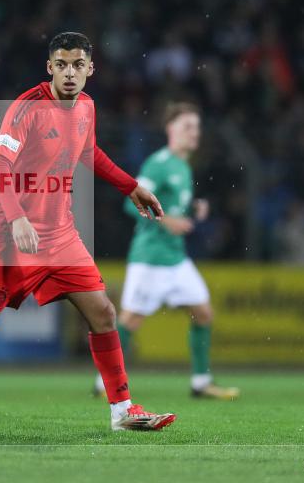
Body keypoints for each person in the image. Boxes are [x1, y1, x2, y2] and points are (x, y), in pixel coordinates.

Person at [0, 32, 176, 432]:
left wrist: (130, 186)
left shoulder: (86, 107)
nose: (70, 73)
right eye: (61, 65)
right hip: (9, 233)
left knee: (103, 312)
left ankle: (122, 411)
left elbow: (88, 152)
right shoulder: (27, 108)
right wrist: (16, 219)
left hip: (60, 233)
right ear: (49, 67)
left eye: (77, 65)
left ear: (90, 70)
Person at [94, 103, 239, 400]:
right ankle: (103, 381)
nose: (193, 133)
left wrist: (192, 208)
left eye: (196, 127)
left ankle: (200, 382)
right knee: (130, 320)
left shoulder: (184, 167)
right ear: (170, 130)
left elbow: (170, 206)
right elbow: (129, 204)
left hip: (176, 258)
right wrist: (168, 221)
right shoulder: (157, 164)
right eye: (187, 126)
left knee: (203, 313)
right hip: (150, 257)